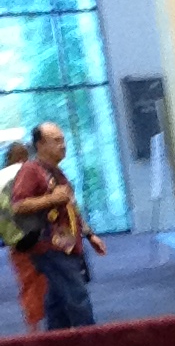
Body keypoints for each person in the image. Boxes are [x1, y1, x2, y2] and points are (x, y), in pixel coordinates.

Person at [11, 122, 106, 330]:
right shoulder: (31, 170)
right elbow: (18, 205)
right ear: (40, 145)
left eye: (62, 140)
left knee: (57, 303)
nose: (63, 145)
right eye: (56, 141)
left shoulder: (57, 173)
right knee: (77, 297)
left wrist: (89, 235)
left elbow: (71, 208)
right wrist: (52, 199)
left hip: (67, 245)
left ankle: (55, 344)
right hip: (50, 246)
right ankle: (92, 342)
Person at [0, 141, 46, 333]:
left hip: (16, 243)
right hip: (40, 237)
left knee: (28, 284)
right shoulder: (30, 173)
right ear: (23, 157)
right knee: (47, 281)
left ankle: (34, 327)